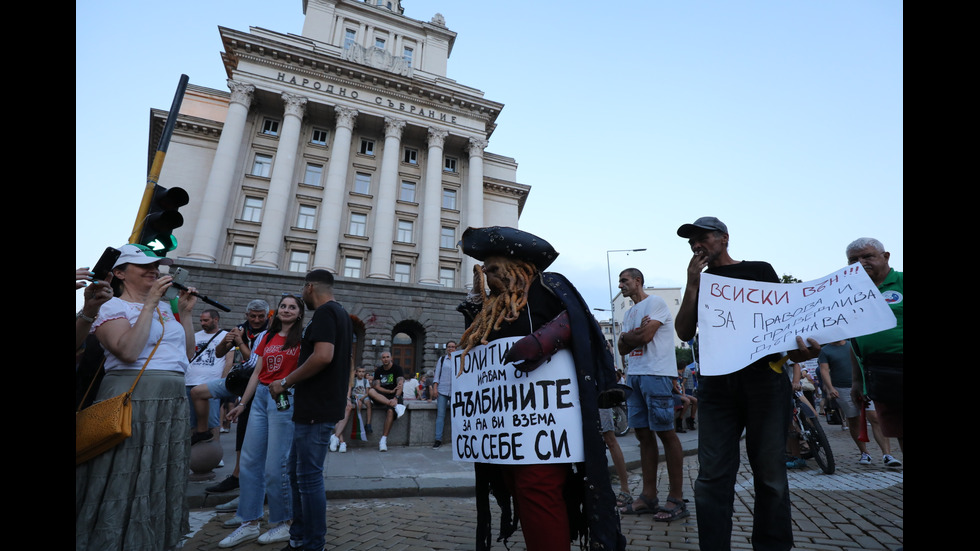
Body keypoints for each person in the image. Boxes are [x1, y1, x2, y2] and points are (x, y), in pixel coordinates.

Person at [456, 226, 626, 551]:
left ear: (515, 265)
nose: (487, 276)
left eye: (492, 269)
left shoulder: (550, 287)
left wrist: (546, 339)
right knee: (518, 488)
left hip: (546, 428)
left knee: (539, 489)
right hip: (508, 429)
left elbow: (581, 325)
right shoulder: (491, 307)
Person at [674, 217, 819, 551]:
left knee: (770, 473)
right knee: (712, 476)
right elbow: (684, 332)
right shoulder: (702, 281)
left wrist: (802, 350)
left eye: (703, 238)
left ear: (724, 238)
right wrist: (692, 284)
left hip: (764, 382)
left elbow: (784, 321)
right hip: (717, 388)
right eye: (691, 242)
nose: (697, 245)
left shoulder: (759, 270)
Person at [76, 244, 197, 551]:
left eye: (157, 266)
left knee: (157, 474)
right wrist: (149, 305)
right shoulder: (112, 307)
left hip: (170, 398)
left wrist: (184, 314)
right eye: (144, 266)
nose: (154, 270)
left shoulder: (163, 309)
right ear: (119, 273)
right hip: (136, 396)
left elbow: (185, 356)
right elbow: (128, 352)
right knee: (125, 473)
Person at [268, 269, 353, 551]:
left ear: (309, 287)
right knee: (296, 474)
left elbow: (323, 356)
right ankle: (300, 537)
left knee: (308, 478)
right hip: (315, 407)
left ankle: (313, 544)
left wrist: (285, 381)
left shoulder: (326, 313)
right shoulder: (339, 313)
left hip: (317, 408)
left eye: (302, 289)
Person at [218, 295, 305, 547]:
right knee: (249, 460)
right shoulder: (266, 337)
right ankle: (249, 522)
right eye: (284, 306)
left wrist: (287, 385)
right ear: (276, 312)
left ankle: (284, 523)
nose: (287, 310)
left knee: (276, 464)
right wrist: (242, 403)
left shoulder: (302, 339)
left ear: (299, 313)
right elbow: (257, 371)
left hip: (284, 396)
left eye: (293, 307)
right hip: (260, 398)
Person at [616, 268, 688, 521]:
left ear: (638, 281)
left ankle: (676, 498)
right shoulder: (629, 313)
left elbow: (646, 337)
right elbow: (622, 347)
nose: (620, 285)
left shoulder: (655, 303)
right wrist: (628, 335)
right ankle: (648, 497)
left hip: (656, 374)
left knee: (666, 433)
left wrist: (631, 336)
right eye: (619, 281)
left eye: (624, 280)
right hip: (635, 376)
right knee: (644, 436)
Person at [190, 299, 270, 497]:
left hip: (257, 383)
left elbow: (252, 361)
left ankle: (237, 476)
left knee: (245, 427)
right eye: (253, 316)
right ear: (247, 315)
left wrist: (240, 341)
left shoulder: (271, 332)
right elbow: (218, 354)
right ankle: (202, 432)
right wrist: (227, 341)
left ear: (267, 316)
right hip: (237, 380)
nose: (257, 320)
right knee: (197, 392)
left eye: (261, 316)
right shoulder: (240, 328)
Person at [846, 238, 903, 453]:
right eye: (853, 260)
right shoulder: (850, 295)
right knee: (900, 430)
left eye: (867, 256)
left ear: (886, 256)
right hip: (879, 374)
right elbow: (854, 339)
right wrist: (856, 380)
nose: (860, 263)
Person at [819, 340, 901, 466]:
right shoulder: (825, 350)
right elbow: (824, 370)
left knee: (875, 417)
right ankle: (864, 452)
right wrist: (830, 388)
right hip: (842, 388)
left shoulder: (852, 344)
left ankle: (887, 454)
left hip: (864, 385)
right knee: (854, 420)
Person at [185, 309, 231, 440]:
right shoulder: (195, 336)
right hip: (189, 382)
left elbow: (229, 361)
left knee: (212, 422)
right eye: (201, 320)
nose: (202, 323)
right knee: (192, 422)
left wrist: (222, 383)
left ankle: (215, 454)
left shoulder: (225, 336)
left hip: (210, 385)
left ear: (215, 319)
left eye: (206, 320)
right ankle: (194, 453)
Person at [366, 351, 405, 452]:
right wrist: (389, 391)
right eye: (383, 357)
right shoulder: (379, 370)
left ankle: (383, 440)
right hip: (383, 395)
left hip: (395, 394)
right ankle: (395, 406)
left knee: (390, 411)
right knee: (371, 391)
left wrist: (395, 397)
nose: (386, 359)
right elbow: (377, 386)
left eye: (387, 357)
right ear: (381, 359)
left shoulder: (397, 369)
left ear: (391, 358)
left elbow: (400, 385)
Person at [431, 340, 456, 448]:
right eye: (449, 347)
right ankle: (438, 439)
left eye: (453, 347)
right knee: (440, 416)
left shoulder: (460, 359)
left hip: (456, 391)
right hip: (442, 390)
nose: (451, 348)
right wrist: (435, 388)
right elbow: (437, 375)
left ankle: (457, 438)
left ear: (456, 348)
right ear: (446, 348)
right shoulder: (441, 360)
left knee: (456, 416)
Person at [351, 365, 373, 434]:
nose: (361, 373)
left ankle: (368, 424)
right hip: (355, 396)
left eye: (363, 372)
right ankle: (358, 423)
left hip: (363, 396)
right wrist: (355, 396)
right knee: (359, 404)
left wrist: (362, 397)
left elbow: (367, 393)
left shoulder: (366, 381)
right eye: (359, 371)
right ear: (356, 373)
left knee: (368, 403)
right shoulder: (353, 381)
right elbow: (350, 391)